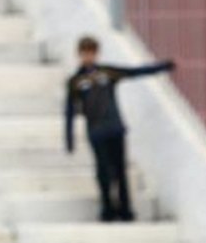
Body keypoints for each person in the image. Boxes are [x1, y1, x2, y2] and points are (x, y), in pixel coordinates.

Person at [64, 36, 175, 223]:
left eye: (91, 52)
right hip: (96, 131)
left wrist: (163, 67)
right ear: (79, 54)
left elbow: (134, 72)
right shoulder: (76, 81)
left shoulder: (107, 72)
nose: (88, 57)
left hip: (115, 128)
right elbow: (69, 111)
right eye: (85, 53)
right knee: (103, 171)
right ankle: (107, 209)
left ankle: (125, 210)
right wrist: (68, 138)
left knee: (120, 170)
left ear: (96, 53)